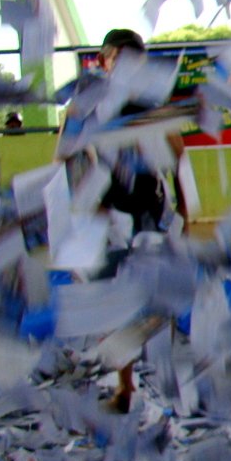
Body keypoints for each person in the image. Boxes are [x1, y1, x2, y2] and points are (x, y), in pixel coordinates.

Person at [58, 28, 189, 411]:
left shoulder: (150, 102)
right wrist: (80, 202)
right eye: (121, 60)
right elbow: (64, 156)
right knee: (109, 299)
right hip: (105, 212)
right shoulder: (86, 104)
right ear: (104, 61)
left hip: (149, 209)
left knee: (155, 295)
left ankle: (156, 380)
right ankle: (125, 384)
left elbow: (177, 154)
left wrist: (184, 204)